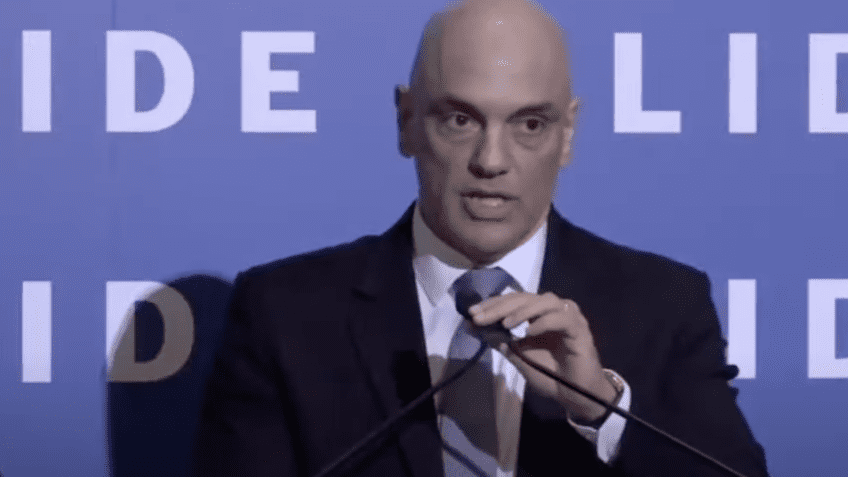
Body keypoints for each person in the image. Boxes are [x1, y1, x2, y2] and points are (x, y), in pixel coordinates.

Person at [193, 0, 770, 476]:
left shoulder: (666, 304)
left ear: (567, 135)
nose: (491, 161)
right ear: (406, 121)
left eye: (530, 124)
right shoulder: (284, 312)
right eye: (460, 120)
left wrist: (601, 408)